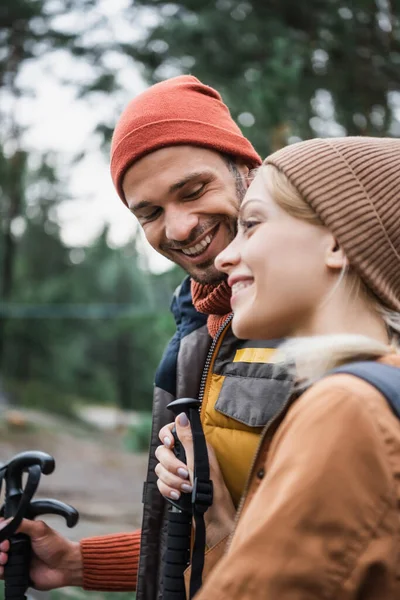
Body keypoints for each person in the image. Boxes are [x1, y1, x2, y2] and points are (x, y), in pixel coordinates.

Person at [0, 76, 293, 599]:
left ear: (248, 170)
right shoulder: (192, 336)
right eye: (151, 213)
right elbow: (204, 532)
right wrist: (74, 563)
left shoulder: (338, 315)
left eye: (193, 190)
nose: (178, 228)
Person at [157, 136, 400, 598]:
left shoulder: (348, 410)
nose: (226, 256)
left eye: (252, 224)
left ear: (338, 239)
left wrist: (221, 527)